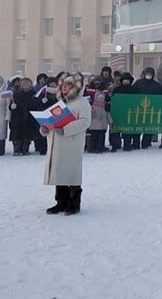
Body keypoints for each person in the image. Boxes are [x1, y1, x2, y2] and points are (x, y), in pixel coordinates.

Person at [42, 75, 92, 216]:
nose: (64, 87)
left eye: (68, 84)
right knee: (60, 172)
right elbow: (53, 120)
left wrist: (65, 129)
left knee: (72, 173)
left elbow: (85, 121)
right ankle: (61, 202)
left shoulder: (82, 103)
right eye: (62, 84)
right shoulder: (61, 102)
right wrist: (46, 128)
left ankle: (74, 204)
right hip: (57, 143)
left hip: (72, 143)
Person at [9, 78, 37, 156]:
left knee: (27, 134)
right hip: (17, 118)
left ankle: (25, 149)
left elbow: (36, 105)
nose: (26, 86)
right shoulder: (16, 94)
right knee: (17, 134)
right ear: (21, 86)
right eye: (24, 85)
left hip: (28, 117)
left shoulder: (33, 94)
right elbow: (11, 106)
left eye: (28, 85)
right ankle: (17, 149)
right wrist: (12, 106)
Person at [134, 67, 160, 149]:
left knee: (149, 126)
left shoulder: (156, 84)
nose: (148, 75)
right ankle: (136, 143)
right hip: (138, 108)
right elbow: (132, 93)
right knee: (137, 126)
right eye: (147, 73)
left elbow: (159, 95)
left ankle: (146, 142)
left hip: (151, 108)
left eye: (150, 74)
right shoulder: (138, 82)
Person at [87, 78, 110, 153]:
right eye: (96, 83)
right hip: (94, 116)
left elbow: (108, 104)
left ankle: (100, 147)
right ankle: (92, 147)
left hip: (102, 116)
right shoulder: (90, 94)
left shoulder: (105, 95)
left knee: (101, 135)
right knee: (93, 135)